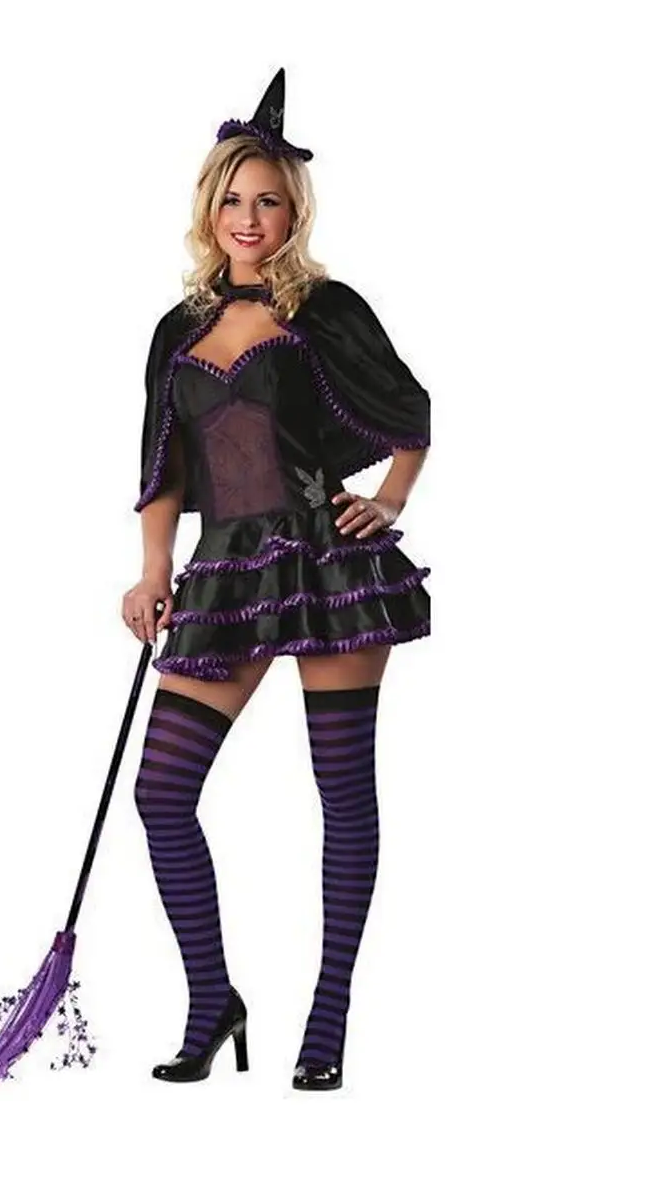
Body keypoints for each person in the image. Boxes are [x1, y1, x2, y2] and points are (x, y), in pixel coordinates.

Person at [121, 68, 431, 1091]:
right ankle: (213, 1000)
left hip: (330, 565)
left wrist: (389, 499)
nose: (248, 218)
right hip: (224, 572)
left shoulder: (324, 310)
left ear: (293, 211)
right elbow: (163, 466)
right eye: (231, 199)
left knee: (342, 791)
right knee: (162, 791)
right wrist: (151, 571)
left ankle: (327, 1019)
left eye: (267, 200)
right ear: (208, 209)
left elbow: (411, 413)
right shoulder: (177, 330)